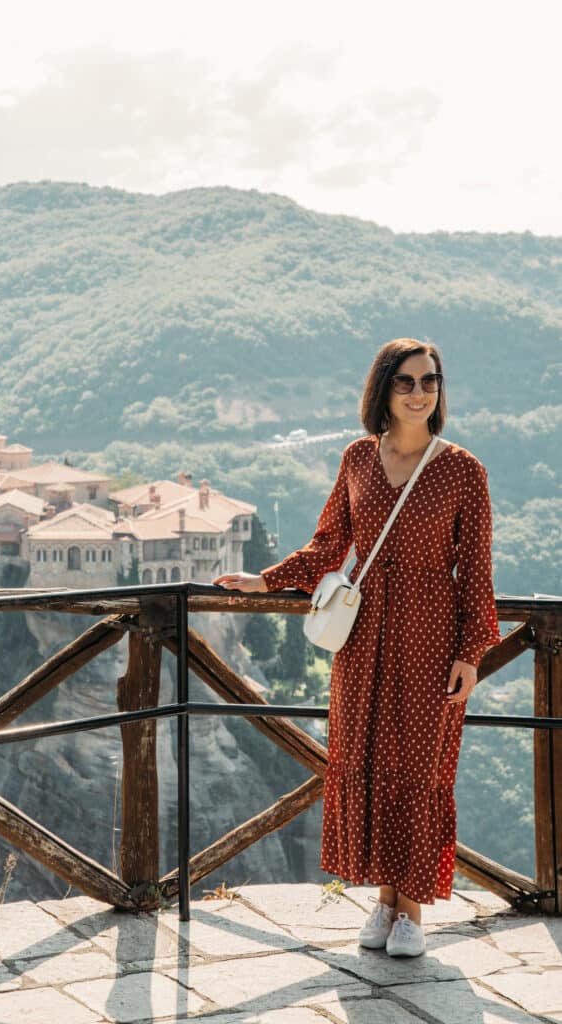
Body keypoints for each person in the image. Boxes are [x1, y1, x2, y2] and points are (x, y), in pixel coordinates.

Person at [214, 338, 501, 958]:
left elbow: (476, 573)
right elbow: (329, 545)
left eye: (430, 381)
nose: (421, 393)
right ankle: (383, 900)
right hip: (363, 637)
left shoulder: (462, 470)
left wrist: (471, 651)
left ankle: (413, 913)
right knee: (366, 758)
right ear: (384, 390)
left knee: (420, 771)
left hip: (431, 636)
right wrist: (267, 578)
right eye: (407, 382)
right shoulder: (357, 460)